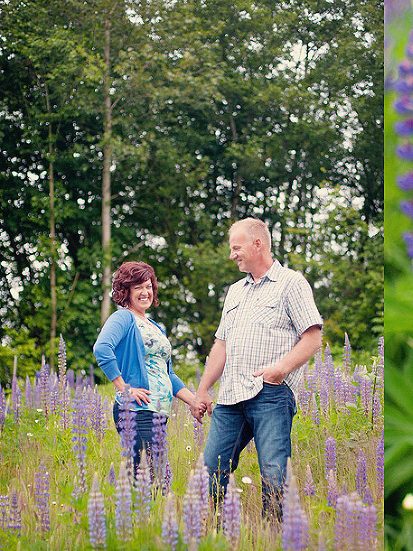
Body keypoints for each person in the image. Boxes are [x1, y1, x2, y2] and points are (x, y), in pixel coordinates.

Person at [192, 217, 322, 521]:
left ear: (257, 244)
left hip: (270, 395)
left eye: (236, 248)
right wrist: (202, 389)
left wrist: (279, 371)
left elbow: (313, 338)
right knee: (211, 470)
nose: (232, 255)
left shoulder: (291, 283)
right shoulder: (235, 291)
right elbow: (221, 345)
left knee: (274, 474)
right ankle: (215, 532)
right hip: (230, 398)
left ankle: (273, 535)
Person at [94, 261, 197, 474]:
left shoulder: (155, 327)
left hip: (157, 413)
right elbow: (102, 348)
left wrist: (194, 401)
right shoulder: (124, 317)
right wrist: (125, 389)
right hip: (136, 410)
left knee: (155, 479)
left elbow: (168, 373)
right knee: (148, 478)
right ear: (126, 291)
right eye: (138, 287)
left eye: (148, 286)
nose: (145, 292)